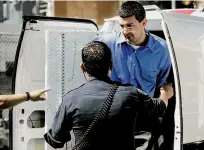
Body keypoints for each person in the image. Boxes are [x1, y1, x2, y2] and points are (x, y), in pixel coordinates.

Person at [44, 41, 173, 150]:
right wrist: (165, 93)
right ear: (111, 65)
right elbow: (160, 108)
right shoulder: (131, 94)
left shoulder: (71, 99)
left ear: (82, 68)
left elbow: (55, 140)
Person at [94, 1, 171, 97]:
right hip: (113, 108)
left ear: (144, 23)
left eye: (129, 25)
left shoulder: (162, 49)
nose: (125, 31)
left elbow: (161, 84)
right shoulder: (107, 42)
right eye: (122, 26)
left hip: (145, 109)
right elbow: (90, 64)